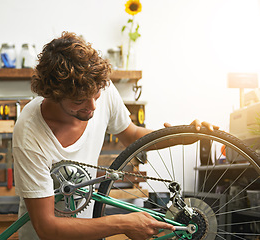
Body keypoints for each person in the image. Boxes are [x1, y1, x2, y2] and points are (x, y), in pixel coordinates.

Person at [12, 31, 218, 240]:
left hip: (90, 233)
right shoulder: (30, 133)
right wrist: (122, 222)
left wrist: (182, 136)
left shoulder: (100, 88)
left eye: (95, 95)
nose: (93, 106)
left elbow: (132, 135)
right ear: (53, 95)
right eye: (79, 101)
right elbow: (47, 228)